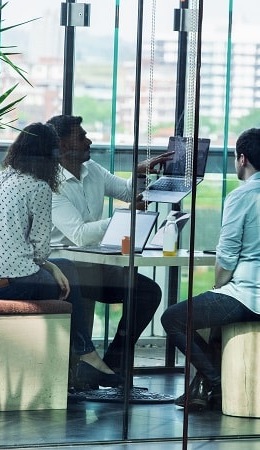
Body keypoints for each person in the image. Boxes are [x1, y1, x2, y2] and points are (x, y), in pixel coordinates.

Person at [160, 128, 260, 412]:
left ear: (242, 159)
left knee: (173, 319)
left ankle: (217, 382)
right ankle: (207, 388)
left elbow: (226, 260)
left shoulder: (241, 196)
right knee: (216, 312)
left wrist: (218, 286)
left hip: (254, 300)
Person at [0, 122, 122, 389]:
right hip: (10, 283)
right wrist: (50, 266)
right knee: (69, 273)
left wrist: (50, 266)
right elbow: (40, 249)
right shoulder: (39, 187)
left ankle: (84, 359)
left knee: (64, 268)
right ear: (51, 155)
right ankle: (87, 357)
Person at [46, 115, 174, 384]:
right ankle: (106, 370)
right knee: (144, 290)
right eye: (81, 136)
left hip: (91, 266)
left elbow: (129, 193)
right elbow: (80, 235)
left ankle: (114, 365)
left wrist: (140, 172)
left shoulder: (92, 170)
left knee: (148, 292)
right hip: (62, 269)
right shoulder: (51, 184)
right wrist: (123, 217)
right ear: (64, 145)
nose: (88, 140)